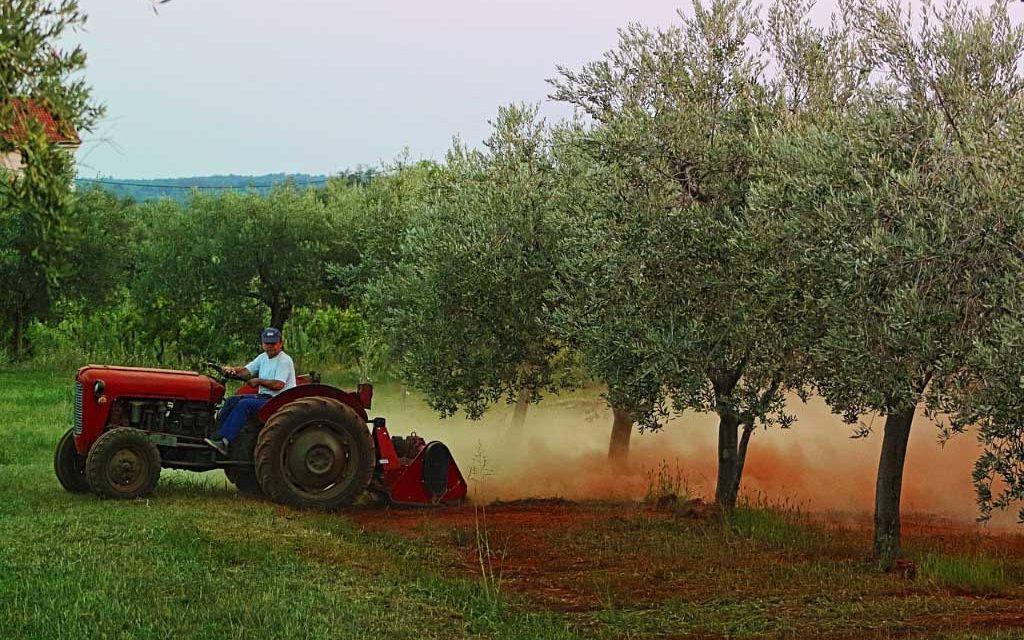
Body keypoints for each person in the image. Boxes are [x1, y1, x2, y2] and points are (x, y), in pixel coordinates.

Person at [204, 326, 296, 455]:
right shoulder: (263, 357)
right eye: (267, 343)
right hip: (265, 397)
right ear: (262, 344)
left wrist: (258, 381)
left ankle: (225, 442)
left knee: (244, 404)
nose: (270, 347)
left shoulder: (284, 360)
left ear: (281, 343)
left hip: (278, 401)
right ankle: (215, 434)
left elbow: (278, 384)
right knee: (232, 400)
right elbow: (246, 371)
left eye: (273, 343)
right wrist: (232, 370)